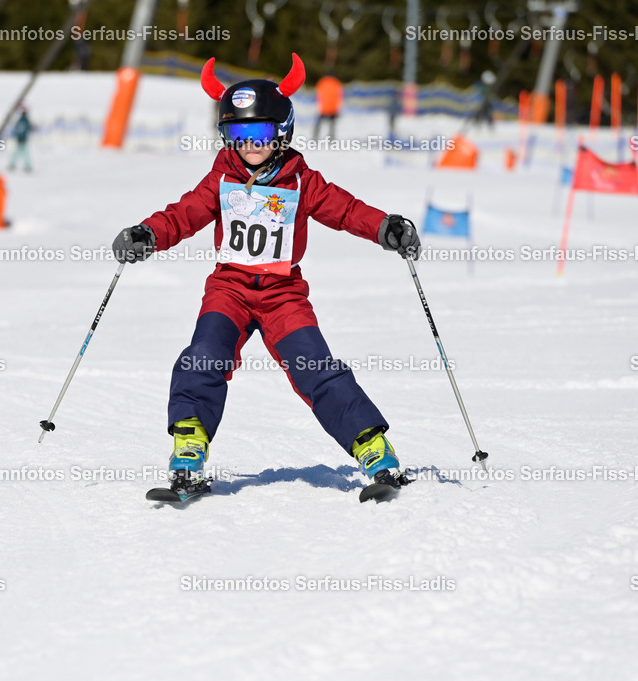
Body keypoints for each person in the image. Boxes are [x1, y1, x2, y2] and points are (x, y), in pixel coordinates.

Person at [111, 54, 421, 495]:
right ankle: (188, 449)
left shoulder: (301, 180)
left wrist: (384, 227)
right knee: (204, 357)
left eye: (258, 133)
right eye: (237, 135)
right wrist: (148, 234)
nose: (249, 145)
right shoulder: (221, 178)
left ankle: (374, 450)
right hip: (229, 290)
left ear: (282, 132)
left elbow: (346, 210)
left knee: (317, 368)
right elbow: (184, 214)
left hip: (282, 295)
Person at [314, 73, 343, 140]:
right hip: (333, 108)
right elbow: (339, 96)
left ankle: (315, 137)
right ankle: (331, 138)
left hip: (324, 108)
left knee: (319, 124)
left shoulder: (322, 82)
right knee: (332, 125)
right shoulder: (336, 83)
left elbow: (318, 94)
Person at [8, 107, 33, 172]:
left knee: (17, 152)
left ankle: (13, 164)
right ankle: (27, 165)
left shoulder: (20, 120)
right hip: (23, 139)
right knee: (24, 153)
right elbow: (28, 128)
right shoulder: (26, 120)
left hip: (20, 138)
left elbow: (16, 128)